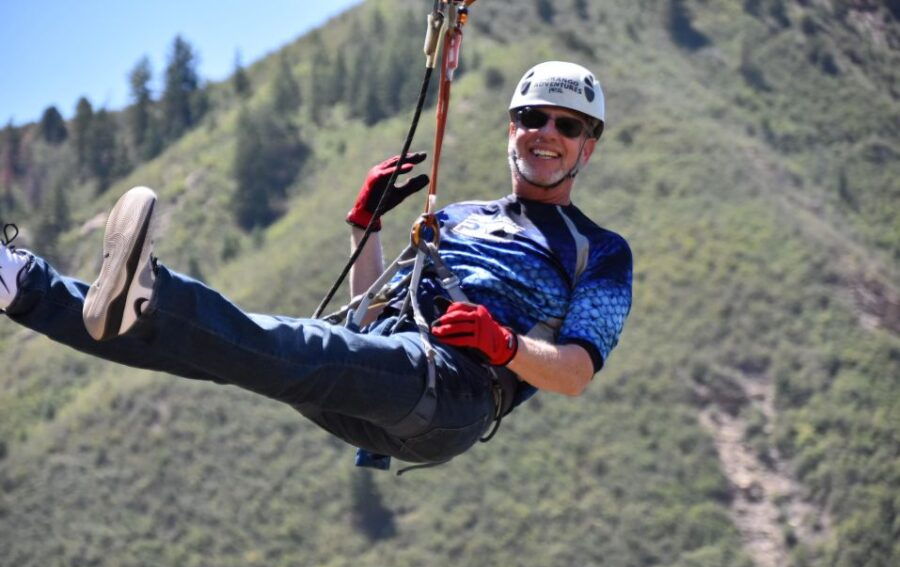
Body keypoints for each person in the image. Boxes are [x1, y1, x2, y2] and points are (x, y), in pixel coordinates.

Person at [0, 61, 632, 471]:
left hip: (457, 393)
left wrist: (502, 343)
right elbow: (372, 313)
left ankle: (150, 289)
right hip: (393, 366)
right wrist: (367, 228)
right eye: (531, 117)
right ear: (512, 128)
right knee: (220, 354)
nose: (544, 133)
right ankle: (22, 286)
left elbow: (575, 373)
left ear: (588, 146)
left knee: (275, 343)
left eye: (567, 124)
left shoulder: (599, 250)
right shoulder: (459, 218)